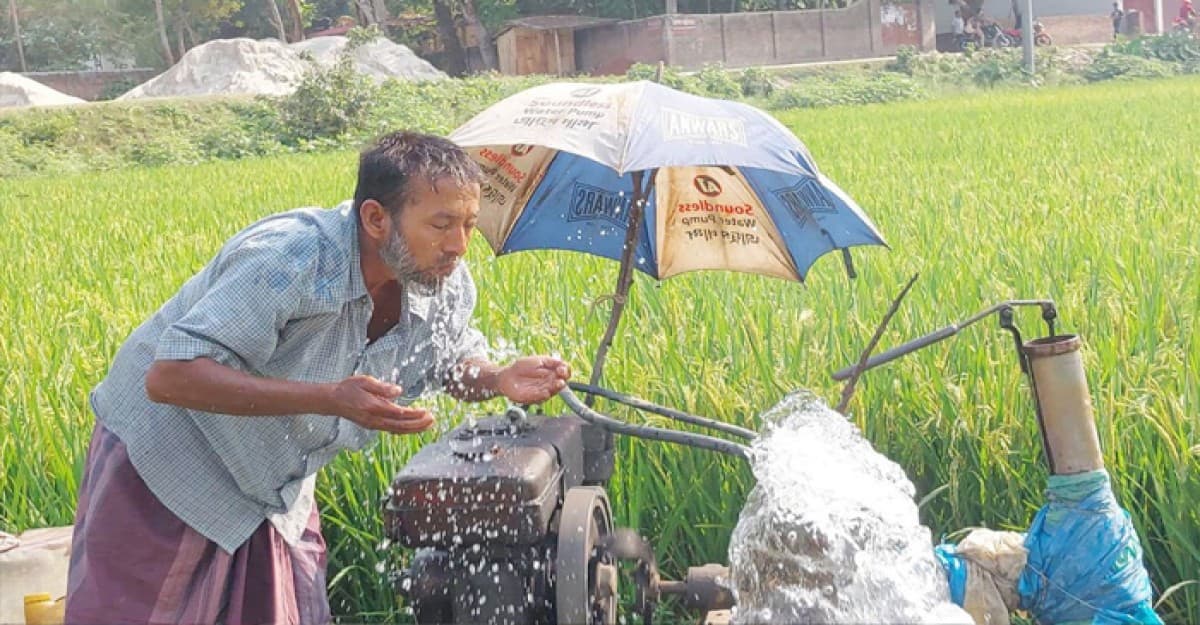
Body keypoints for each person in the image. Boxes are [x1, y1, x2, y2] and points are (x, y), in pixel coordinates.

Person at [64, 130, 572, 624]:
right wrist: (329, 398)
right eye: (441, 225)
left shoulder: (440, 281)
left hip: (272, 478)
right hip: (171, 459)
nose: (459, 245)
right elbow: (171, 377)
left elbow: (450, 362)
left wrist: (499, 377)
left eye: (468, 224)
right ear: (376, 218)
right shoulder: (291, 259)